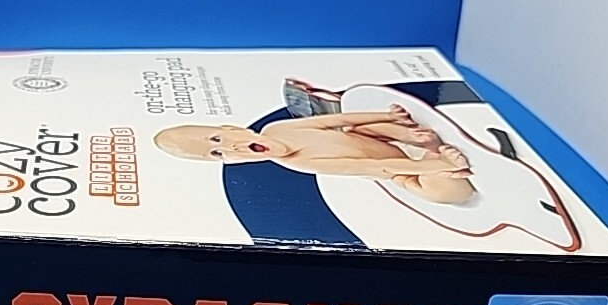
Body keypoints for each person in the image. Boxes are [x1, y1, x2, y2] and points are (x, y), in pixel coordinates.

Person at [154, 102, 476, 205]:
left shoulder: (279, 128)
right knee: (441, 192)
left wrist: (389, 117)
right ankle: (434, 161)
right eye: (218, 154)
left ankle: (419, 139)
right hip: (397, 167)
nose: (231, 148)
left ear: (232, 127)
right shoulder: (301, 163)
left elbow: (336, 120)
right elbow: (375, 168)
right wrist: (434, 166)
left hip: (378, 140)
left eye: (218, 139)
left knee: (357, 129)